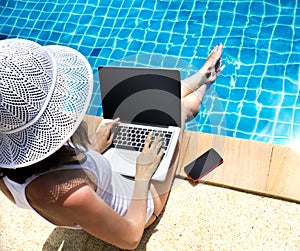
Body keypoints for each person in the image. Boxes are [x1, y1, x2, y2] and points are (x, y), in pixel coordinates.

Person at [0, 38, 223, 250]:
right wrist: (143, 171)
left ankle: (202, 77)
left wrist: (93, 151)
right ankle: (205, 81)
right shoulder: (70, 194)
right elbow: (130, 238)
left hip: (104, 184)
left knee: (150, 108)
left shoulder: (7, 170)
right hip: (141, 202)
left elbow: (52, 188)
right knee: (180, 111)